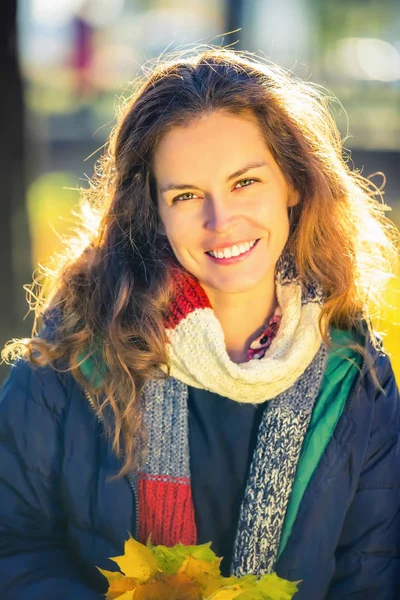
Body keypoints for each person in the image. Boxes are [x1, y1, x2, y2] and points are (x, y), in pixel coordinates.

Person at [0, 46, 399, 600]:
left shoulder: (356, 375)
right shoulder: (73, 354)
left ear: (294, 183)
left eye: (245, 182)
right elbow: (12, 543)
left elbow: (374, 573)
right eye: (186, 195)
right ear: (153, 212)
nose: (220, 220)